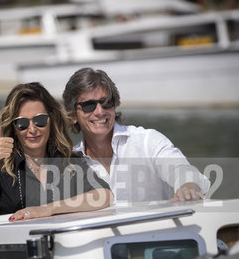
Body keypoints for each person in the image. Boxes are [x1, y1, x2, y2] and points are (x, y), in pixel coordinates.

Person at [0, 82, 113, 222]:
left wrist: (49, 209)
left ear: (51, 120)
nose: (32, 130)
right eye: (22, 123)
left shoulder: (68, 162)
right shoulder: (1, 168)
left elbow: (104, 195)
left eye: (39, 120)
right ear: (13, 127)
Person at [62, 67, 210, 204]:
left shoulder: (147, 141)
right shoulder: (71, 164)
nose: (100, 111)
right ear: (73, 115)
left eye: (106, 102)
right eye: (89, 105)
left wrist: (188, 186)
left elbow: (179, 169)